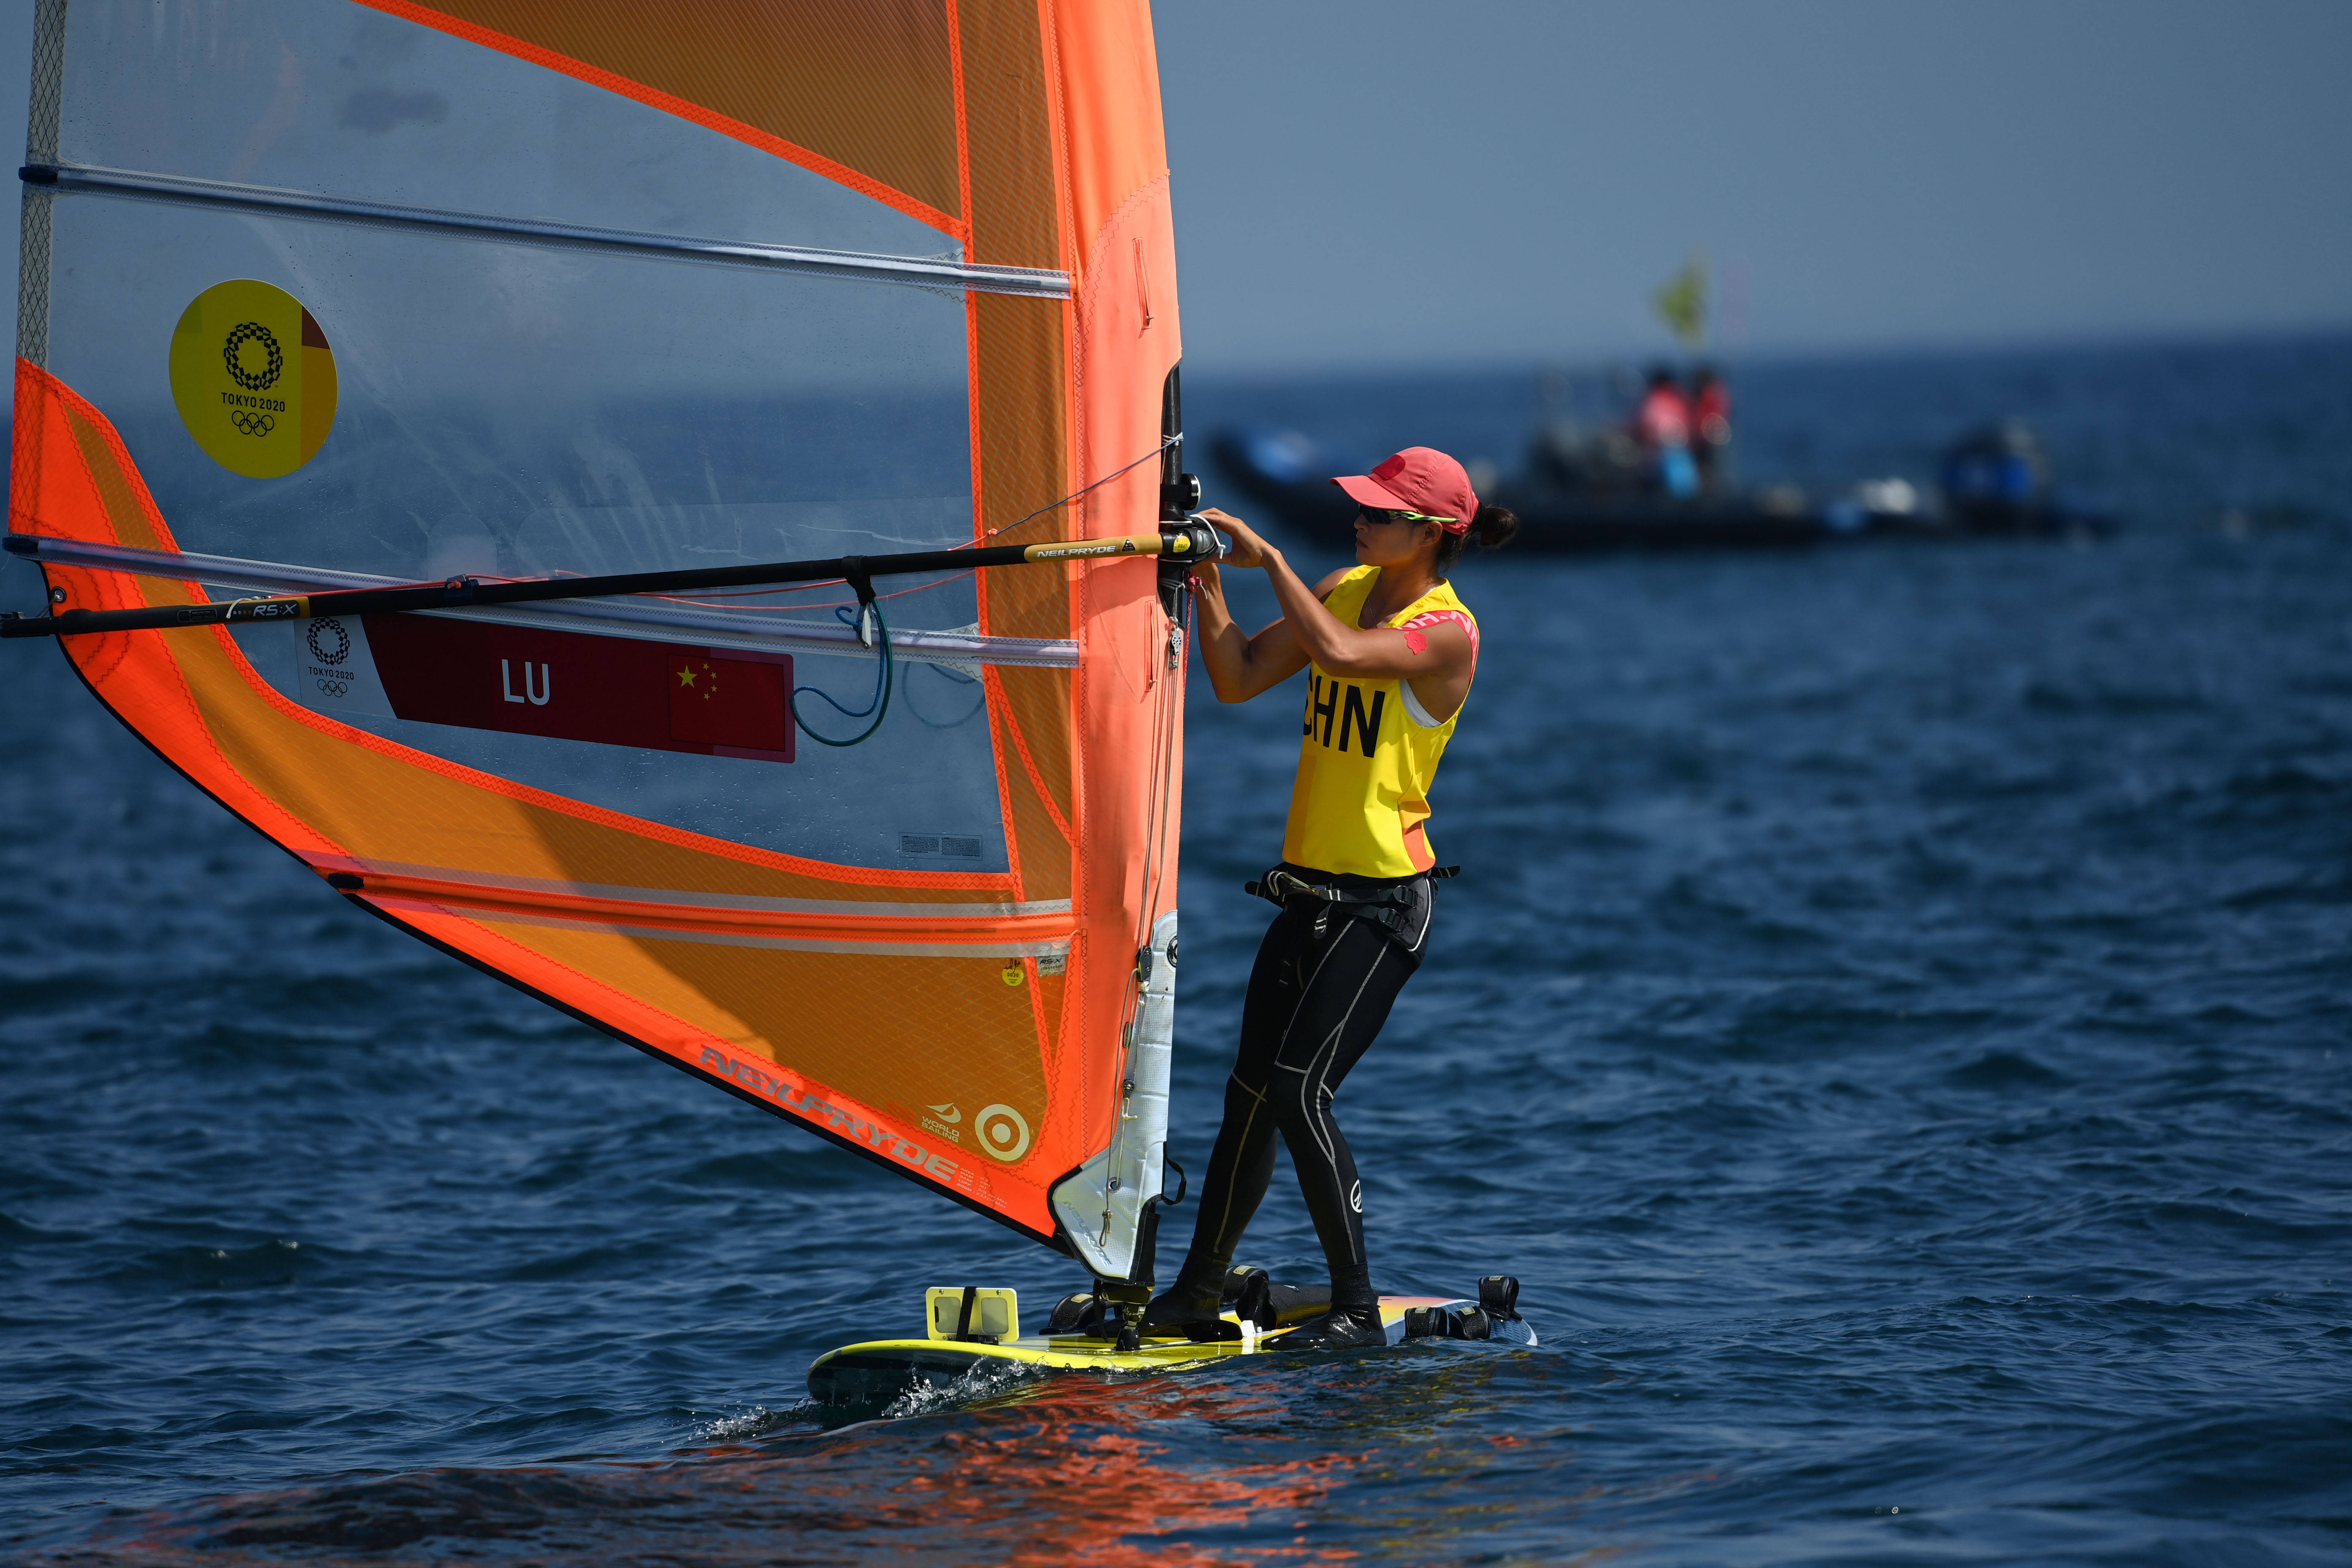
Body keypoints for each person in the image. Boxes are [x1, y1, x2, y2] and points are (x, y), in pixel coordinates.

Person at [1143, 447, 1518, 1348]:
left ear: (1432, 534)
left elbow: (1346, 654)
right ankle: (1195, 1290)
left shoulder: (1448, 630)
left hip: (1385, 903)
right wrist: (1202, 580)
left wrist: (1266, 559)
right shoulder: (1346, 586)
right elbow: (1234, 676)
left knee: (1299, 1088)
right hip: (1308, 894)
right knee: (1246, 1098)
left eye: (1380, 512)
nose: (1359, 519)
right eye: (1361, 506)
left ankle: (1357, 1307)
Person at [1632, 366, 1699, 499]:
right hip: (1682, 457)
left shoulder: (1651, 403)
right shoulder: (1680, 401)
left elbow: (1642, 429)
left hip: (1657, 460)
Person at [1690, 365, 1732, 495]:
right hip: (1711, 438)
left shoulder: (1709, 395)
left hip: (1709, 439)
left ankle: (1711, 493)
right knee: (1710, 468)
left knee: (1710, 468)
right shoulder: (1718, 393)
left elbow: (1706, 417)